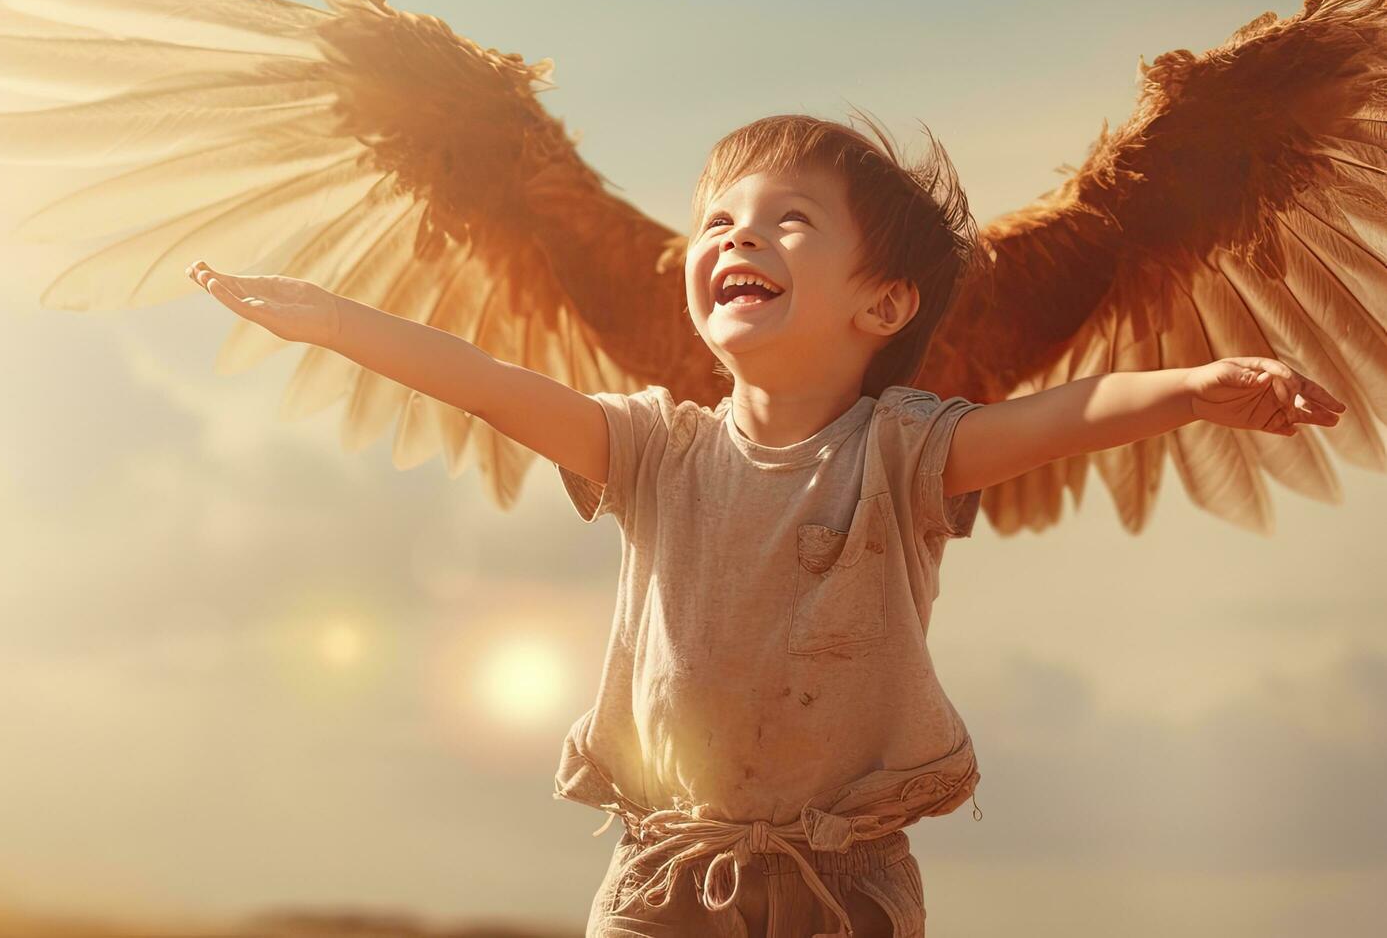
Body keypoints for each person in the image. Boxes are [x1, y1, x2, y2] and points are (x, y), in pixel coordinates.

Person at [185, 113, 1345, 938]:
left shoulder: (906, 453)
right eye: (718, 220)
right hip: (661, 873)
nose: (734, 237)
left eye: (787, 222)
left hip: (847, 886)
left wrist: (1192, 388)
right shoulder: (649, 445)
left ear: (882, 306)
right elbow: (490, 382)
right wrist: (335, 320)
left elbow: (1056, 418)